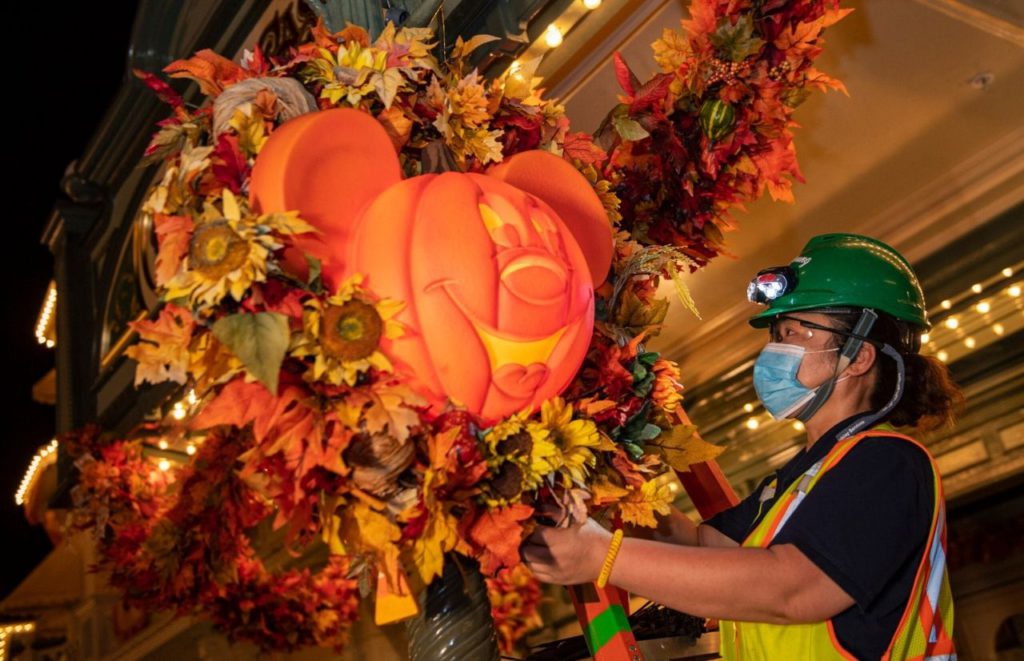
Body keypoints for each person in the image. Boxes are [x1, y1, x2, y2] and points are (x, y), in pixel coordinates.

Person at [523, 233, 962, 659]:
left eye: (797, 333)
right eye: (777, 334)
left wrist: (602, 555)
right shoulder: (803, 476)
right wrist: (606, 492)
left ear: (859, 356)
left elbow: (795, 589)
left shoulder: (888, 463)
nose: (777, 350)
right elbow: (699, 545)